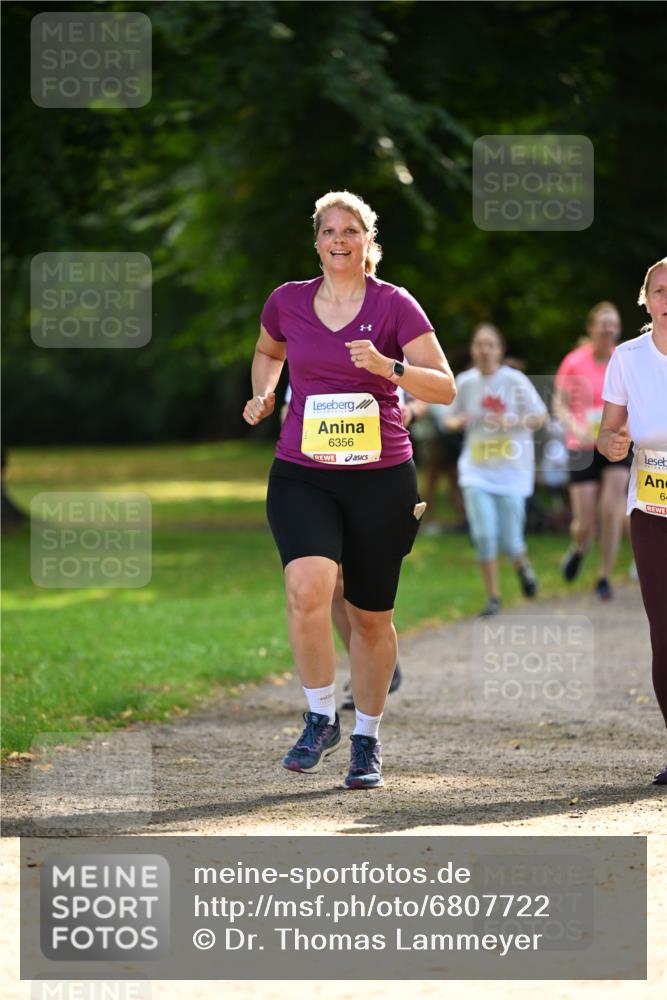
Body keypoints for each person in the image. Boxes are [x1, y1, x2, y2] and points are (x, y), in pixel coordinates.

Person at [244, 190, 455, 789]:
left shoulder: (395, 305)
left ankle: (366, 736)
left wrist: (389, 367)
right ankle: (318, 716)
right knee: (307, 589)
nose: (340, 240)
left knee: (369, 618)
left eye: (351, 231)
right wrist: (265, 391)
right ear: (316, 241)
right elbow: (267, 351)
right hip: (303, 471)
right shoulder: (287, 301)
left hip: (380, 477)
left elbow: (444, 388)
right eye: (330, 231)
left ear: (369, 241)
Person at [281, 380, 406, 709]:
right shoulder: (309, 349)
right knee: (328, 585)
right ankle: (354, 669)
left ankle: (375, 665)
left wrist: (410, 412)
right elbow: (291, 407)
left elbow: (423, 394)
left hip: (375, 480)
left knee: (368, 606)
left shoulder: (378, 347)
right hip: (317, 485)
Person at [597, 258, 667, 785]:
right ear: (647, 300)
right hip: (652, 505)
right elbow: (607, 434)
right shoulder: (627, 357)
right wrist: (613, 443)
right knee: (663, 631)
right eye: (660, 290)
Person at [445, 323, 547, 616]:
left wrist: (511, 421)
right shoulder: (465, 382)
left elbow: (539, 416)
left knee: (511, 540)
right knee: (484, 534)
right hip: (475, 470)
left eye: (490, 344)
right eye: (479, 344)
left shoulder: (514, 381)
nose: (485, 350)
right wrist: (460, 421)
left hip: (511, 470)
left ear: (500, 350)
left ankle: (522, 565)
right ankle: (493, 598)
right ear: (473, 349)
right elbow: (449, 419)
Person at [554, 302, 632, 600]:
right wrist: (573, 426)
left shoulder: (624, 361)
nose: (608, 329)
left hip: (616, 442)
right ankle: (579, 546)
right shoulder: (574, 362)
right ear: (591, 328)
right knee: (585, 523)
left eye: (613, 325)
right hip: (583, 444)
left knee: (612, 509)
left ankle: (604, 576)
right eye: (603, 324)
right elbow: (559, 403)